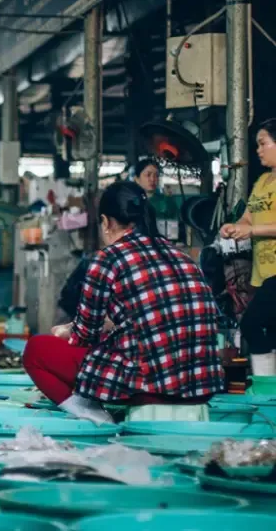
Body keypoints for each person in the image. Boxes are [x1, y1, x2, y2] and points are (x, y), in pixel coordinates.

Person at [23, 181, 224, 424]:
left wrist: (66, 331)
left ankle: (95, 415)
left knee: (36, 350)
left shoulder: (108, 259)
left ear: (106, 222)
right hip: (201, 386)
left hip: (152, 388)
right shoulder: (181, 256)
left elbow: (85, 335)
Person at [221, 119, 276, 376]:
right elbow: (249, 217)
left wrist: (251, 231)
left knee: (253, 324)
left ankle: (266, 387)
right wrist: (235, 226)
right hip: (263, 272)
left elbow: (254, 227)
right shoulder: (263, 182)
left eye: (263, 143)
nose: (258, 150)